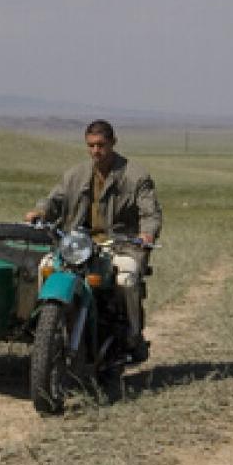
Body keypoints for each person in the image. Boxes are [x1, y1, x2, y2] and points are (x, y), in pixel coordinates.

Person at [25, 119, 162, 359]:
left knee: (127, 278)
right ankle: (42, 328)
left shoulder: (136, 176)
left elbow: (150, 213)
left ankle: (132, 336)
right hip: (77, 244)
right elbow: (55, 200)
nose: (96, 151)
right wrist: (40, 211)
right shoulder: (75, 175)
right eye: (91, 146)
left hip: (120, 244)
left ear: (113, 143)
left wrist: (146, 234)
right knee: (45, 266)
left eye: (101, 145)